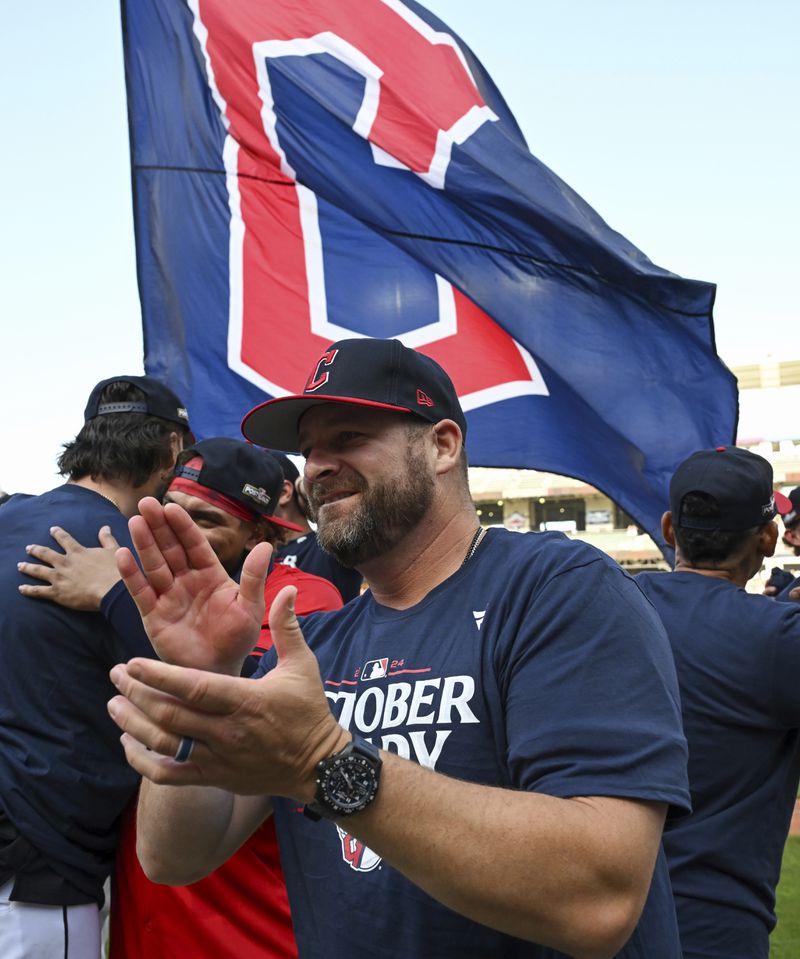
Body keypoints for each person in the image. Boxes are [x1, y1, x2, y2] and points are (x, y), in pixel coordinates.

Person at [107, 338, 690, 958]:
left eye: (350, 438)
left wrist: (323, 763)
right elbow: (175, 856)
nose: (317, 468)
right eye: (308, 452)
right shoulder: (313, 646)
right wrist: (202, 674)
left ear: (442, 445)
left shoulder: (555, 588)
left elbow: (599, 897)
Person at [20, 437, 344, 959]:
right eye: (170, 513)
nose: (180, 532)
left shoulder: (302, 596)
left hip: (246, 926)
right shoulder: (145, 586)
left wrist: (113, 598)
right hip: (146, 917)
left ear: (258, 533)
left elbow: (233, 702)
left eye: (206, 520)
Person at [0, 374, 190, 958]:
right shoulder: (134, 555)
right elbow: (196, 693)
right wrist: (116, 596)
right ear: (172, 451)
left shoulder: (10, 520)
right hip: (35, 860)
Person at [637, 446, 800, 959]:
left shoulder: (606, 605)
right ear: (768, 538)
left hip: (588, 921)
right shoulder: (779, 638)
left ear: (669, 529)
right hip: (714, 930)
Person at [269, 450, 364, 602]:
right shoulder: (255, 554)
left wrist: (307, 485)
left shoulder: (330, 544)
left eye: (252, 492)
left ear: (284, 492)